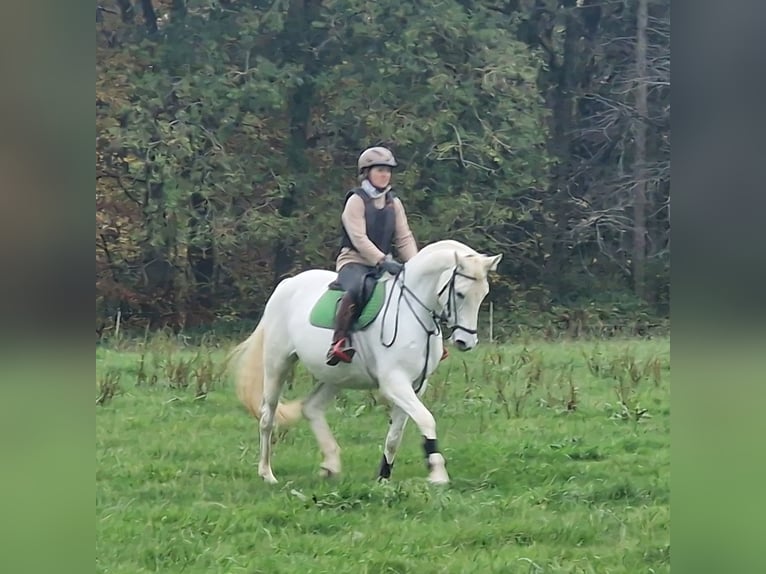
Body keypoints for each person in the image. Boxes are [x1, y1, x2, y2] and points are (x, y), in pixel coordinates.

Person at [325, 146, 418, 366]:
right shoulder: (356, 200)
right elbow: (359, 239)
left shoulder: (393, 202)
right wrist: (383, 260)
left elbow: (404, 237)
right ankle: (338, 341)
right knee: (357, 289)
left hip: (383, 264)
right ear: (366, 173)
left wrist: (415, 265)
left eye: (388, 170)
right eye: (380, 170)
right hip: (354, 261)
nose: (385, 175)